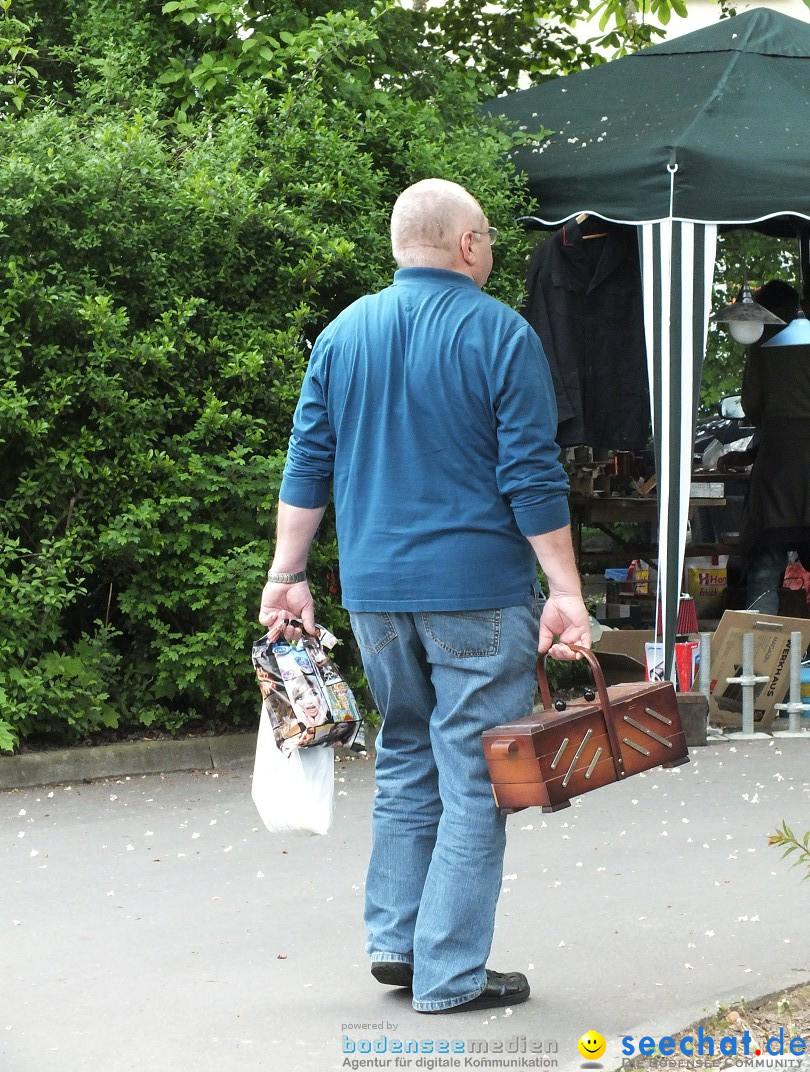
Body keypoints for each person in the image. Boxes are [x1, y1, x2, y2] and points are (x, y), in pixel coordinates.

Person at [258, 178, 590, 1014]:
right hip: (476, 590)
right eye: (489, 238)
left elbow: (308, 463)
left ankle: (397, 945)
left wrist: (286, 576)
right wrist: (565, 591)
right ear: (468, 244)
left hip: (373, 595)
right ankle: (450, 974)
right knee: (478, 776)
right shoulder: (501, 334)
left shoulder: (343, 333)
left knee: (407, 755)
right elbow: (531, 475)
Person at [738, 280, 810, 612]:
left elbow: (752, 405)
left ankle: (758, 655)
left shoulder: (763, 341)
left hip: (779, 460)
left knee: (766, 566)